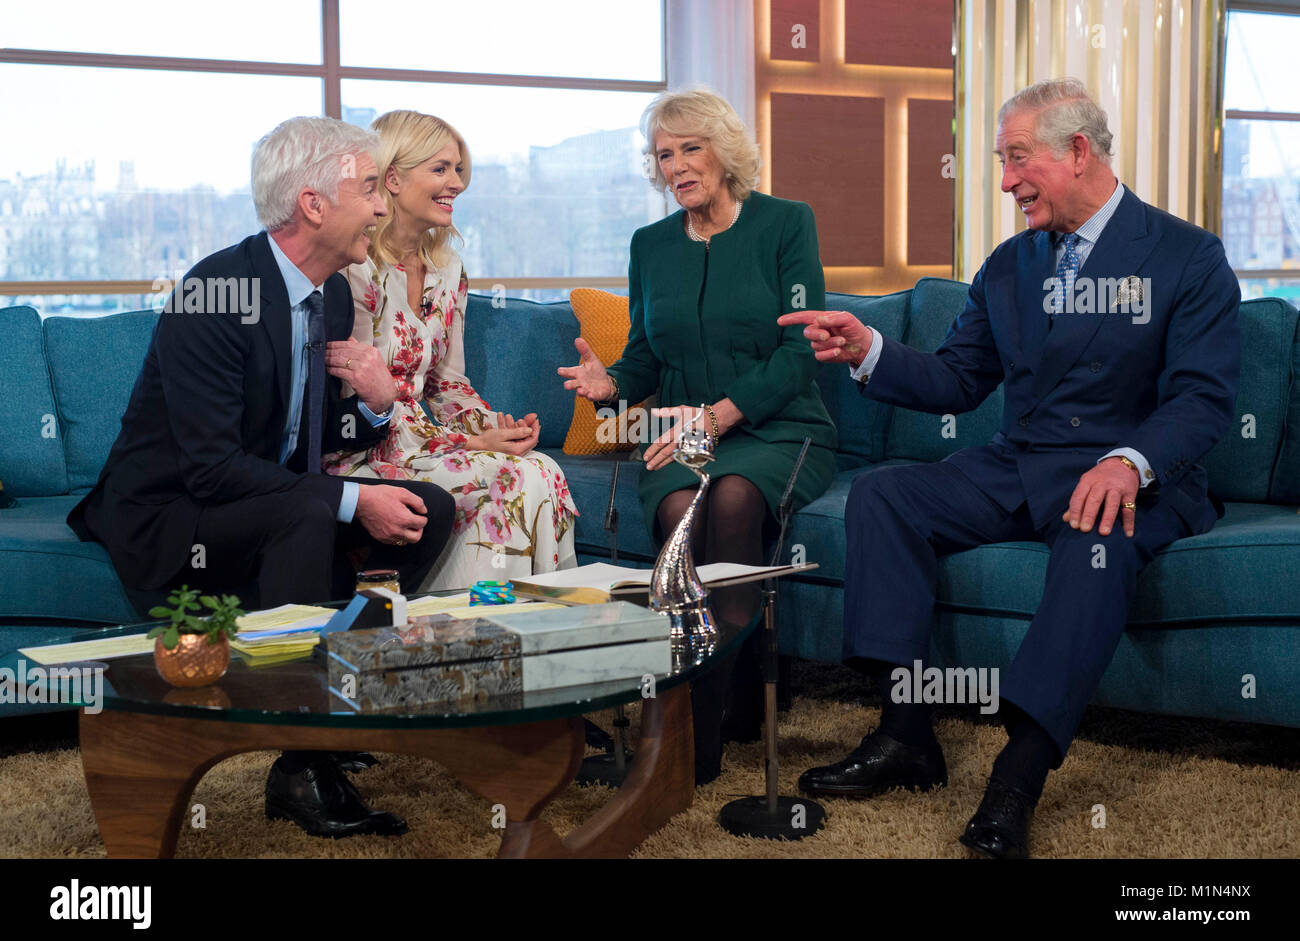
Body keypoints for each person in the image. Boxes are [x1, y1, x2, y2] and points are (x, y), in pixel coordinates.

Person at [780, 78, 1240, 858]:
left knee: (1096, 540)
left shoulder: (1187, 256)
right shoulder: (1010, 264)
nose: (1003, 181)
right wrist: (872, 350)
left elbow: (1201, 400)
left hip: (1133, 478)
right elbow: (959, 378)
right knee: (886, 495)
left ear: (1078, 151)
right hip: (1020, 464)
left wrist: (1130, 463)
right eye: (1000, 161)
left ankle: (1016, 777)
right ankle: (904, 732)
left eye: (1017, 158)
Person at [69, 116, 457, 840]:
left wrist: (377, 408)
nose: (381, 205)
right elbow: (211, 467)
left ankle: (333, 692)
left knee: (428, 507)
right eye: (369, 187)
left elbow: (306, 436)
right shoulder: (214, 293)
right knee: (315, 513)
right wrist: (351, 500)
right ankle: (306, 761)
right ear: (312, 203)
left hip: (259, 502)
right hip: (176, 514)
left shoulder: (333, 294)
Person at [558, 88, 837, 781]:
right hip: (684, 435)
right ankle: (718, 708)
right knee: (684, 513)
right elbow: (647, 356)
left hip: (778, 427)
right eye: (663, 155)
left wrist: (720, 414)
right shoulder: (649, 246)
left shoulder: (785, 224)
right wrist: (612, 385)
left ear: (724, 150)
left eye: (690, 148)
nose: (676, 166)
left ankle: (694, 740)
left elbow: (801, 351)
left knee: (738, 499)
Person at [325, 110, 578, 589]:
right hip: (367, 448)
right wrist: (468, 446)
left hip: (425, 443)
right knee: (509, 479)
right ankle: (467, 631)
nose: (456, 183)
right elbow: (357, 401)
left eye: (458, 169)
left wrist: (493, 430)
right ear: (393, 178)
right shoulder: (355, 268)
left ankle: (543, 626)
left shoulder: (448, 268)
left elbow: (446, 383)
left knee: (539, 465)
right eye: (440, 169)